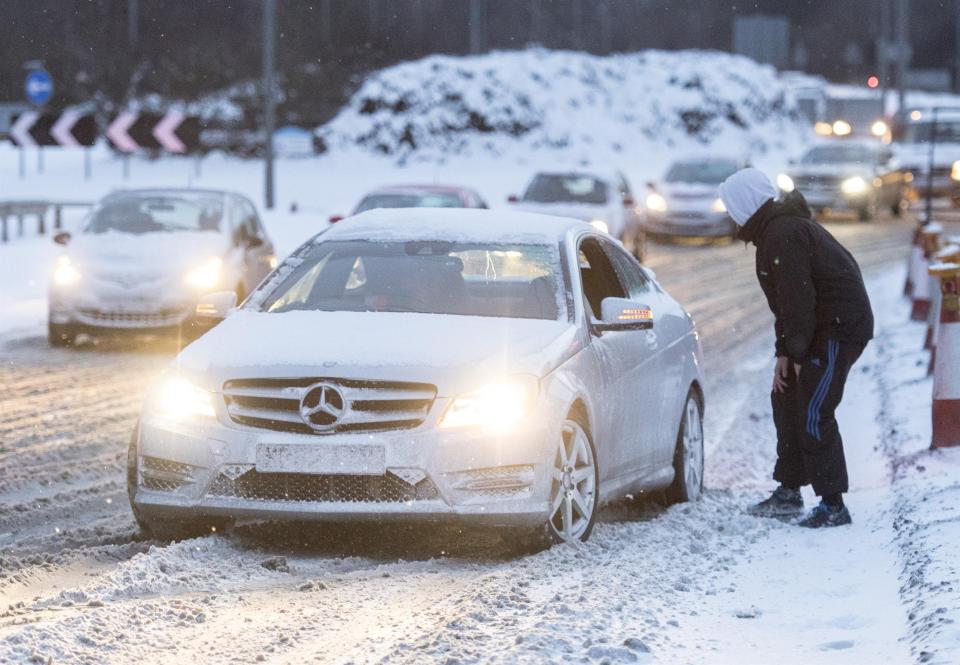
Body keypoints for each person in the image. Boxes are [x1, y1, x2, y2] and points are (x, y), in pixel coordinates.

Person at [718, 168, 874, 528]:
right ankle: (789, 492)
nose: (729, 215)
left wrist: (800, 355)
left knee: (813, 410)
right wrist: (784, 356)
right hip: (818, 328)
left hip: (839, 329)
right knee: (786, 394)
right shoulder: (773, 232)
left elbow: (799, 303)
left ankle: (833, 506)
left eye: (731, 207)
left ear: (745, 205)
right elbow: (786, 307)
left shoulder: (783, 235)